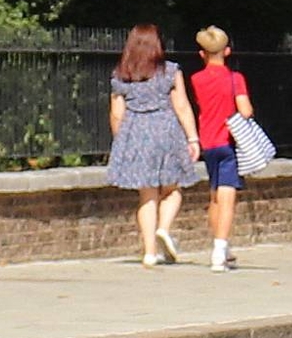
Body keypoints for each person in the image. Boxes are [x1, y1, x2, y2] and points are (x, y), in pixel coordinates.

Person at [105, 24, 202, 267]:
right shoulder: (170, 71)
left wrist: (123, 141)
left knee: (146, 195)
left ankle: (149, 252)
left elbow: (116, 114)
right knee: (172, 189)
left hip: (136, 132)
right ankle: (164, 228)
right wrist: (192, 137)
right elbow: (181, 105)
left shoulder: (121, 75)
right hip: (166, 130)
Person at [189, 27, 256, 269]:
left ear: (201, 54)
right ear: (227, 51)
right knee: (227, 199)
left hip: (207, 142)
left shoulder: (196, 79)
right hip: (228, 142)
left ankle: (221, 246)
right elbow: (246, 110)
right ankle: (219, 251)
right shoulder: (235, 78)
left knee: (215, 196)